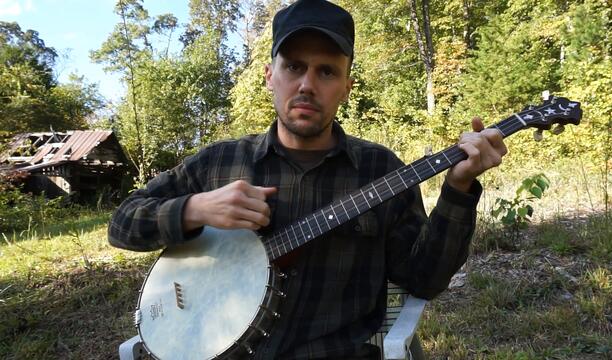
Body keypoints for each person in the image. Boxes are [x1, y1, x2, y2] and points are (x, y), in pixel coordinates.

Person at [108, 0, 507, 358]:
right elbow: (122, 224)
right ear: (270, 76)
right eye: (294, 66)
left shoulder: (381, 170)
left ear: (346, 88)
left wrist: (458, 188)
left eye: (327, 71)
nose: (307, 85)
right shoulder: (219, 163)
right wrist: (195, 208)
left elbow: (426, 280)